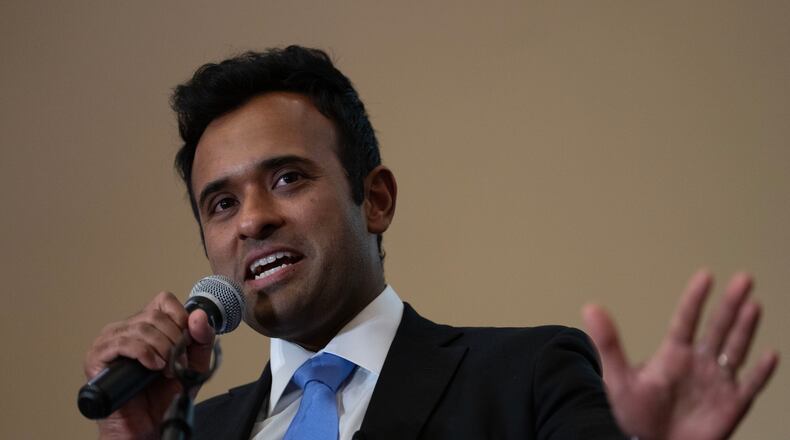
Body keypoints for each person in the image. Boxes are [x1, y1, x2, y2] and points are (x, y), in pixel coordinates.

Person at [83, 46, 779, 440]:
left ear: (375, 198)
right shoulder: (194, 432)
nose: (251, 220)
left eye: (288, 178)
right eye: (222, 203)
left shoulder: (529, 376)